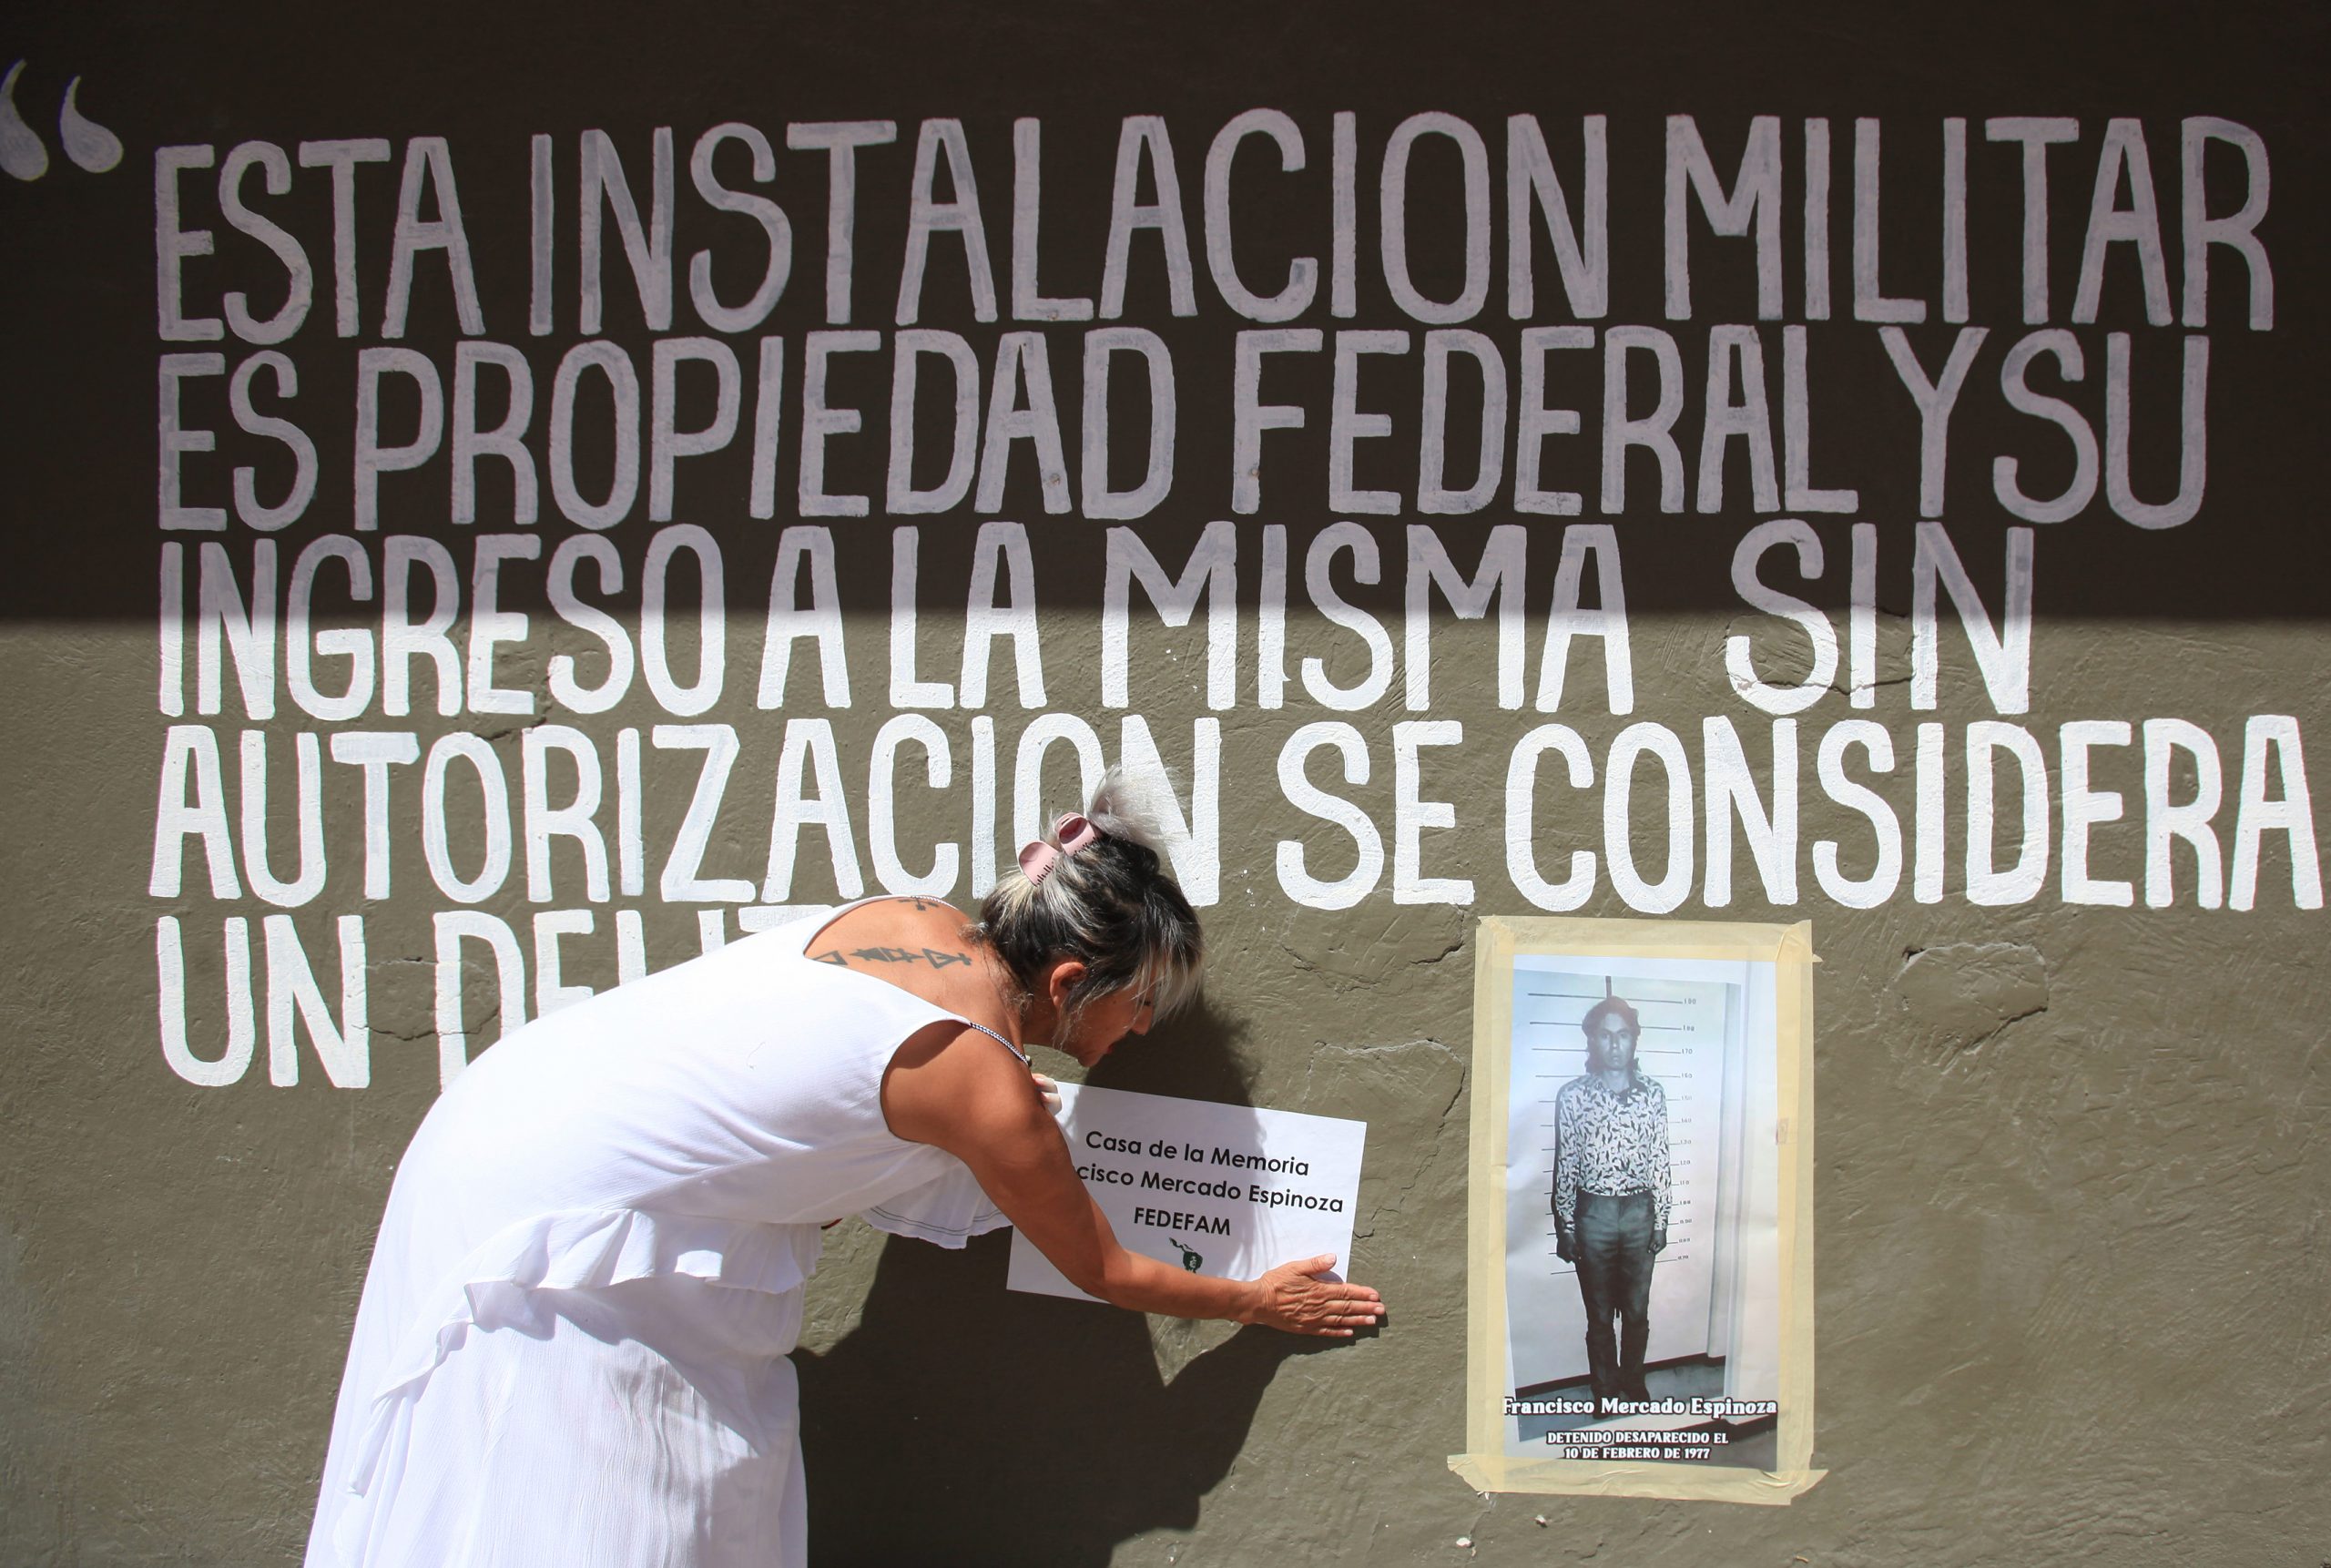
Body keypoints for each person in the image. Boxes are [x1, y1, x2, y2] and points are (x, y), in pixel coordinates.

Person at [304, 774, 1380, 1568]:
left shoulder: (908, 922)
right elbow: (1103, 1268)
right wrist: (1257, 1301)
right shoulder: (979, 1081)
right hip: (566, 1252)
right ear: (1067, 982)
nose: (1140, 1031)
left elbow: (785, 1109)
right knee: (597, 1512)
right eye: (1138, 1005)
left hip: (504, 1128)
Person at [1549, 994, 1670, 1413]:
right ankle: (1604, 1390)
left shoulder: (1653, 1095)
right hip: (1594, 1215)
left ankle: (1633, 1382)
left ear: (1634, 1040)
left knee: (1636, 1312)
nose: (1615, 1045)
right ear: (1592, 1041)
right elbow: (1566, 1164)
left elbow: (1660, 1158)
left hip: (1639, 1213)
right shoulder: (1572, 1096)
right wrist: (1566, 1226)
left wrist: (1661, 1219)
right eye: (1605, 1035)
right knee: (1599, 1315)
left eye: (1623, 1035)